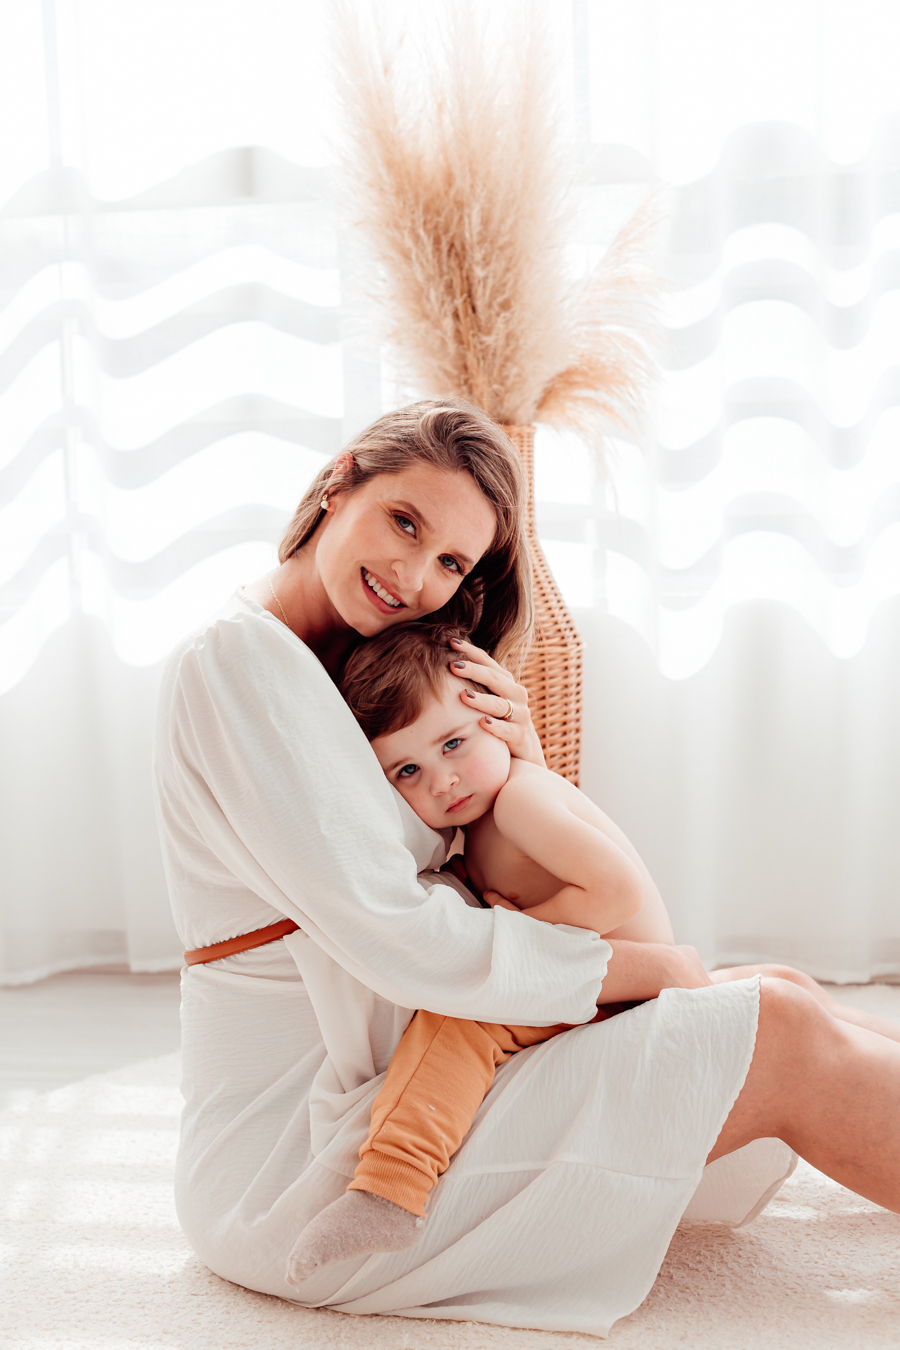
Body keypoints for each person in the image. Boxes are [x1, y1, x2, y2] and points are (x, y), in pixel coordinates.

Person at [154, 397, 900, 1340]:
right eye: (404, 522)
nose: (413, 577)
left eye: (451, 563)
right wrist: (638, 969)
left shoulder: (355, 667)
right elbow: (404, 937)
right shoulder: (238, 663)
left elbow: (460, 872)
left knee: (777, 988)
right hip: (315, 1162)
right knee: (777, 1031)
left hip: (412, 1064)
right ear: (341, 480)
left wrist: (519, 763)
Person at [286, 619, 900, 1281]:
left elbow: (613, 891)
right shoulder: (497, 806)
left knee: (456, 1026)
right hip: (625, 984)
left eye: (454, 744)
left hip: (618, 993)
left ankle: (390, 1186)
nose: (442, 781)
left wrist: (524, 930)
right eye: (408, 771)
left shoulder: (519, 803)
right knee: (782, 985)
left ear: (497, 717)